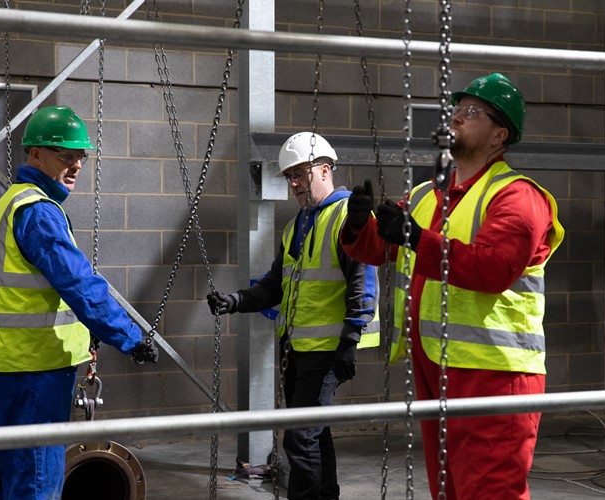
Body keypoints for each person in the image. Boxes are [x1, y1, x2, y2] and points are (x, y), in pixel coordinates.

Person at [342, 73, 565, 499]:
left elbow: (494, 269)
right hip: (438, 367)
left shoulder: (517, 197)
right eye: (457, 110)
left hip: (495, 373)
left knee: (489, 491)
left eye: (472, 112)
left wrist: (413, 237)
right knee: (450, 490)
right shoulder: (429, 195)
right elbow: (378, 248)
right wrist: (358, 225)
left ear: (500, 134)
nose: (458, 118)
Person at [0, 105, 159, 500]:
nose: (75, 166)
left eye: (80, 157)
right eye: (65, 156)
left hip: (1, 366)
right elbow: (79, 283)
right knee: (37, 483)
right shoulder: (38, 212)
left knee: (6, 480)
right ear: (35, 154)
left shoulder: (7, 204)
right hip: (32, 371)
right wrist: (130, 337)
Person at [207, 131, 380, 500]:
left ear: (325, 170)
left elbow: (363, 280)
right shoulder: (297, 225)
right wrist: (236, 301)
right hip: (298, 349)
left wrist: (350, 339)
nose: (295, 184)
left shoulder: (349, 216)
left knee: (301, 440)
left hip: (327, 349)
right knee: (315, 433)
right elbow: (275, 284)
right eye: (289, 177)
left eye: (300, 174)